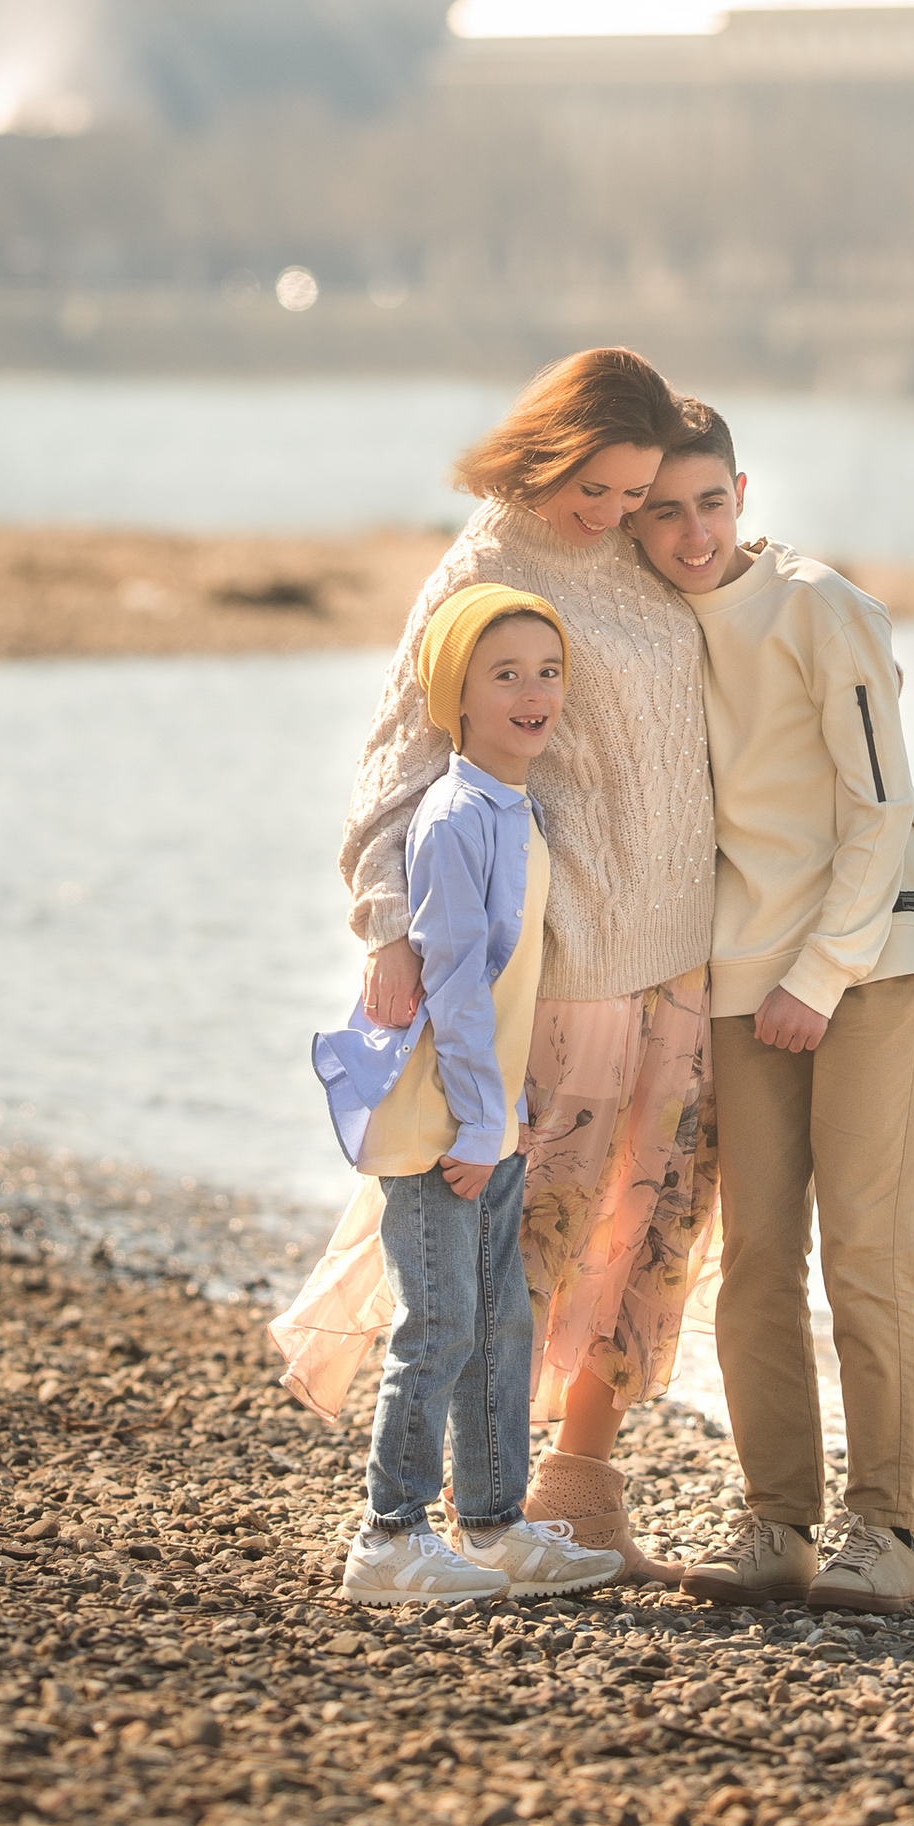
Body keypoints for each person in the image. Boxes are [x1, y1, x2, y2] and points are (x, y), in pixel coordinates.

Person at [272, 347, 716, 1584]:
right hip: (566, 970)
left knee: (644, 1240)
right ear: (549, 449)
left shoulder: (632, 554)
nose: (614, 516)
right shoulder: (485, 568)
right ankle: (444, 1525)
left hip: (684, 958)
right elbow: (392, 759)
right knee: (514, 1256)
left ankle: (550, 1508)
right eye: (599, 490)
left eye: (635, 495)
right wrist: (387, 926)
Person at [625, 401, 914, 1618]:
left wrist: (819, 979)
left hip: (871, 953)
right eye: (661, 511)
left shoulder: (821, 606)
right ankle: (777, 1524)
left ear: (743, 492)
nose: (691, 532)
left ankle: (886, 1534)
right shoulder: (650, 622)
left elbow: (880, 810)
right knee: (756, 1259)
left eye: (709, 502)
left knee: (864, 1254)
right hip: (741, 970)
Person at [314, 585, 628, 1606]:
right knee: (440, 1327)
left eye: (548, 671)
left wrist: (508, 1112)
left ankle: (492, 1525)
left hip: (485, 1115)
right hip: (437, 1121)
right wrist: (483, 1122)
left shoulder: (513, 808)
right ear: (455, 694)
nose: (534, 692)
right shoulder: (455, 819)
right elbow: (450, 982)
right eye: (506, 675)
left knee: (500, 1322)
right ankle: (387, 1539)